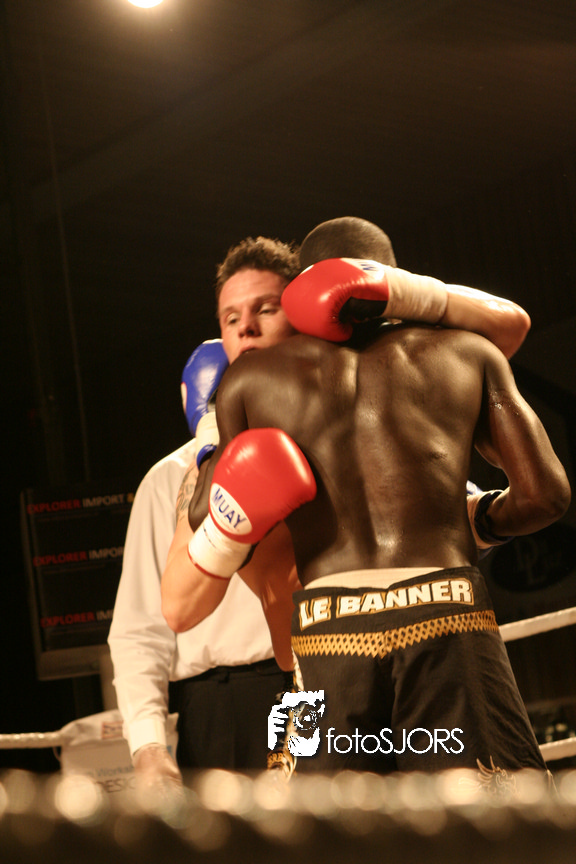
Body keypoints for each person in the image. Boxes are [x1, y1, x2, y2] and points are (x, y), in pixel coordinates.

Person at [168, 217, 570, 782]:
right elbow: (545, 496)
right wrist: (476, 519)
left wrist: (214, 444)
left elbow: (205, 523)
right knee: (495, 812)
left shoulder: (250, 383)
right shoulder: (468, 352)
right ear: (390, 278)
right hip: (445, 609)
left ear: (298, 296)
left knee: (327, 823)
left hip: (327, 634)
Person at [108, 236, 301, 789]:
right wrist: (149, 747)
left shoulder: (333, 438)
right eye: (231, 317)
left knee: (311, 824)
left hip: (309, 683)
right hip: (209, 712)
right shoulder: (171, 477)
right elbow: (144, 626)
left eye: (266, 309)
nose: (247, 328)